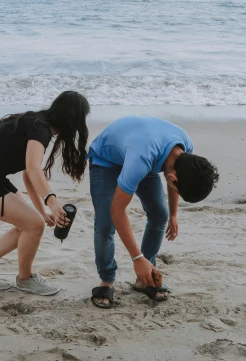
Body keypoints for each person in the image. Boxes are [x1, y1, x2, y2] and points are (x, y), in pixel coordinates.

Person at [0, 91, 90, 296]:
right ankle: (25, 279)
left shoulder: (37, 122)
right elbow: (34, 169)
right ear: (73, 118)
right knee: (33, 225)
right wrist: (52, 202)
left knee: (30, 222)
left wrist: (42, 211)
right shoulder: (40, 128)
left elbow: (28, 175)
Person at [87, 116, 219, 308]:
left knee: (160, 214)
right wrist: (137, 258)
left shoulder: (184, 148)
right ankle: (106, 280)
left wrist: (173, 215)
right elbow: (118, 210)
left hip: (141, 152)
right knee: (106, 222)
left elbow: (175, 182)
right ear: (173, 178)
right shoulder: (142, 159)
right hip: (106, 158)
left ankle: (145, 280)